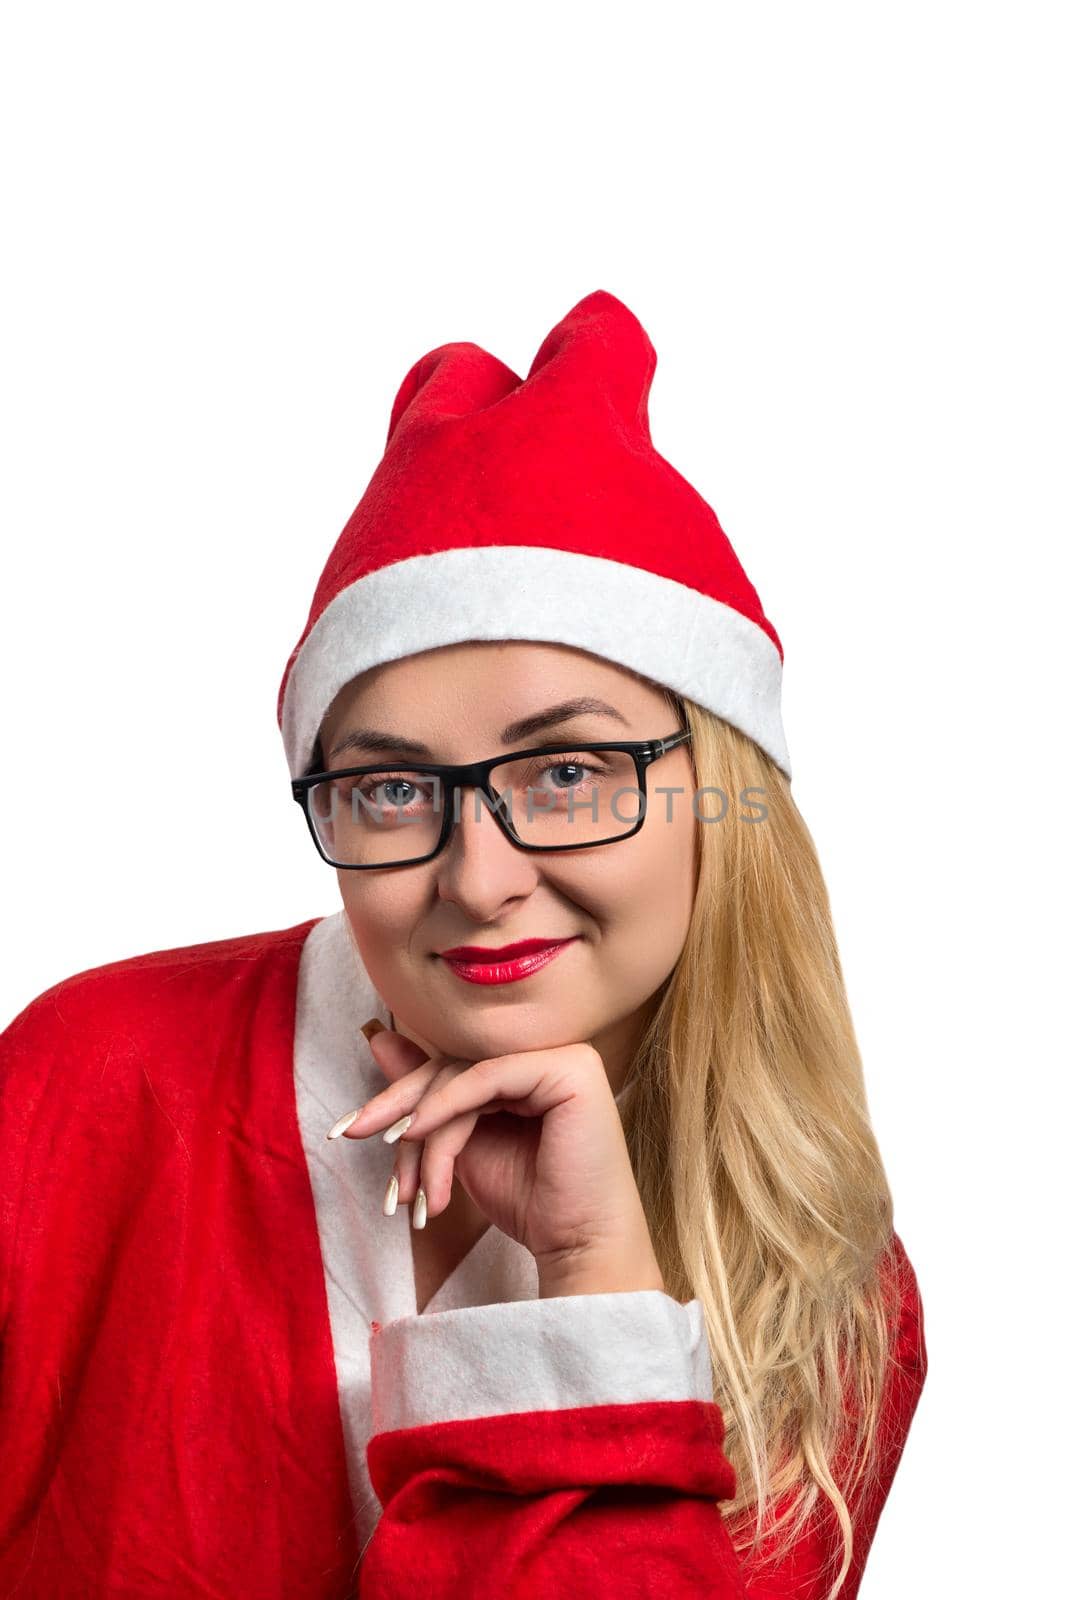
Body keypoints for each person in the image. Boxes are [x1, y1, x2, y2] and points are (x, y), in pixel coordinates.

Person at [0, 289, 927, 1599]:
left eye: (567, 771)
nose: (477, 880)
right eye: (387, 788)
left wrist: (595, 1288)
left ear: (725, 793)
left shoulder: (831, 1298)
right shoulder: (81, 1090)